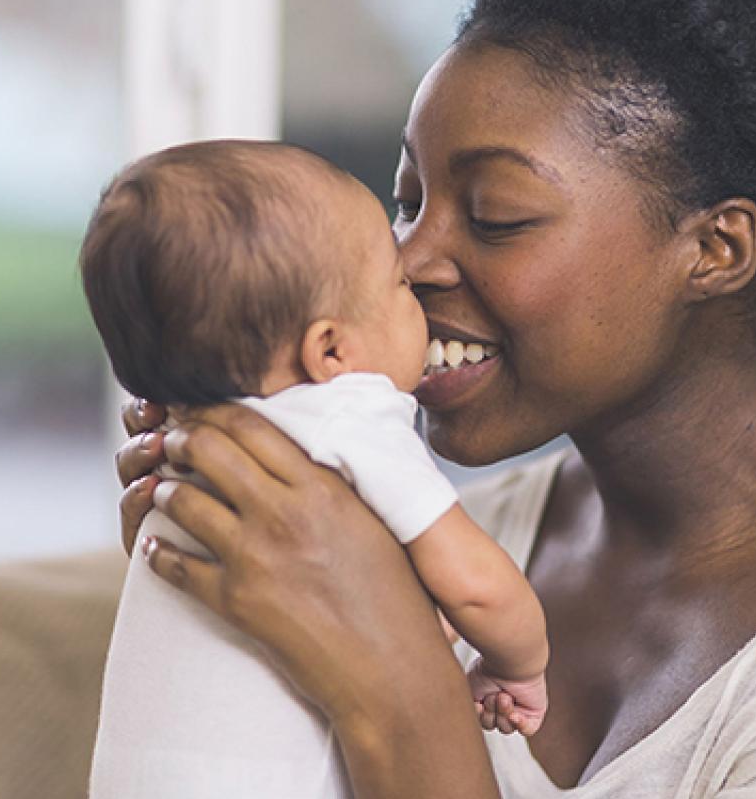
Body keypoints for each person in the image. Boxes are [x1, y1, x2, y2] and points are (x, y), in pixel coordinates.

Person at [110, 0, 756, 796]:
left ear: (715, 248)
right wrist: (205, 546)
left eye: (494, 216)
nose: (405, 264)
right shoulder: (472, 534)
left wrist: (403, 696)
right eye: (406, 203)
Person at [80, 140, 551, 799]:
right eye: (396, 280)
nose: (413, 270)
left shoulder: (188, 441)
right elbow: (479, 587)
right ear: (329, 348)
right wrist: (518, 663)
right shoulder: (347, 418)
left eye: (495, 215)